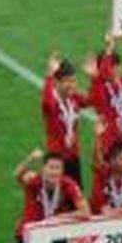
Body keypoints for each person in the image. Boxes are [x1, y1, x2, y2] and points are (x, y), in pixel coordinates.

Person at [12, 149, 90, 243]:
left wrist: (60, 217)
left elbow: (85, 212)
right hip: (29, 231)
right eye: (51, 168)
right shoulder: (34, 181)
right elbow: (17, 174)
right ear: (43, 169)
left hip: (54, 231)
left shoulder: (68, 185)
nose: (54, 172)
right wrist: (30, 158)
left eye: (58, 168)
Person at [41, 53, 89, 187]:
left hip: (73, 156)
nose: (71, 85)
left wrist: (95, 77)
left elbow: (94, 99)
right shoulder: (52, 102)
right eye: (67, 81)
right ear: (57, 82)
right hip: (57, 160)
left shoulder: (74, 98)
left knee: (76, 194)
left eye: (74, 81)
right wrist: (49, 74)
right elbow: (46, 100)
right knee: (59, 200)